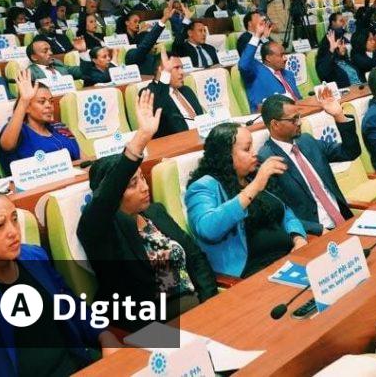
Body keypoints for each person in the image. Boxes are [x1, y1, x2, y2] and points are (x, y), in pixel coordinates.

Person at [0, 189, 117, 375]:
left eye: (14, 219)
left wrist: (104, 335)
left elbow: (71, 305)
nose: (13, 232)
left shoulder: (34, 256)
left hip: (72, 367)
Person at [78, 91, 217, 325]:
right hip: (150, 326)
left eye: (142, 178)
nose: (144, 187)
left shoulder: (154, 213)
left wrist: (211, 303)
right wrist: (140, 139)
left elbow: (195, 257)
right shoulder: (100, 230)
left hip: (196, 307)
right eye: (132, 184)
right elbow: (105, 198)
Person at [185, 122, 308, 277]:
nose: (254, 153)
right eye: (247, 149)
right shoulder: (203, 187)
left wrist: (298, 237)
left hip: (289, 258)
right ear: (226, 155)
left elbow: (286, 213)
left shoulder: (251, 176)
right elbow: (208, 229)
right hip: (252, 271)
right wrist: (255, 186)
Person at [257, 91, 360, 235]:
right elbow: (279, 213)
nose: (299, 122)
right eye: (293, 119)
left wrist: (339, 115)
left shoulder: (307, 141)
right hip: (314, 234)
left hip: (344, 219)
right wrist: (317, 229)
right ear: (275, 124)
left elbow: (350, 152)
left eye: (299, 116)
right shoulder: (267, 160)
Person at [0, 72, 81, 174]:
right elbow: (7, 145)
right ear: (27, 107)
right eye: (42, 102)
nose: (49, 105)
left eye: (51, 101)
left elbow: (83, 159)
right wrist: (24, 101)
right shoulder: (19, 131)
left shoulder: (59, 127)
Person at [239, 20, 301, 111]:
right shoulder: (256, 72)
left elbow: (299, 99)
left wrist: (264, 38)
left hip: (298, 110)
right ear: (268, 58)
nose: (285, 58)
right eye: (281, 55)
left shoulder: (288, 74)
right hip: (272, 115)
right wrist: (257, 36)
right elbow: (244, 64)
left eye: (285, 54)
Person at [143, 50, 204, 138]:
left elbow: (202, 119)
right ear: (162, 70)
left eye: (182, 68)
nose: (182, 72)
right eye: (176, 68)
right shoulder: (149, 93)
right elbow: (160, 103)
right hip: (177, 142)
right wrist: (165, 75)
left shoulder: (186, 90)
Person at [316, 22, 363, 88]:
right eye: (340, 43)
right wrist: (331, 49)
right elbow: (323, 73)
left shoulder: (344, 59)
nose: (344, 46)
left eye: (344, 43)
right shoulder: (325, 62)